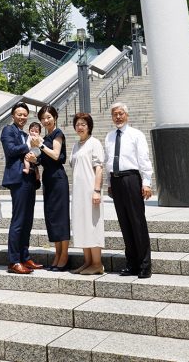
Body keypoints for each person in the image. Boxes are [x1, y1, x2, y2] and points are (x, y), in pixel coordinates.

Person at [104, 102, 153, 278]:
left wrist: (146, 182)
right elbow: (108, 161)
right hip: (116, 182)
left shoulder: (136, 135)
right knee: (124, 223)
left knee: (137, 222)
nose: (118, 117)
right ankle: (131, 263)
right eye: (115, 114)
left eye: (121, 113)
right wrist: (109, 183)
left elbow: (144, 160)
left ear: (127, 115)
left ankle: (144, 265)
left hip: (131, 179)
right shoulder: (109, 137)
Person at [0, 101, 44, 274]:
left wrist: (36, 159)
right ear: (13, 115)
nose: (22, 117)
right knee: (19, 220)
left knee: (28, 220)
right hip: (18, 179)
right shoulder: (8, 130)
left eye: (25, 114)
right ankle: (13, 261)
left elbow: (35, 156)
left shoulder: (26, 133)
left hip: (29, 180)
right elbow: (10, 151)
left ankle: (25, 257)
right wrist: (29, 145)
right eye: (19, 114)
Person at [69, 112, 105, 275]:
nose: (80, 127)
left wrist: (96, 190)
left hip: (91, 191)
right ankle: (88, 261)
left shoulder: (94, 143)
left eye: (83, 124)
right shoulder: (76, 145)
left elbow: (99, 168)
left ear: (89, 126)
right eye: (77, 124)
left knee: (92, 226)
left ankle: (97, 263)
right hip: (78, 192)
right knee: (81, 225)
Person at [36, 104, 71, 271]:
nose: (46, 120)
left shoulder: (58, 133)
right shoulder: (47, 135)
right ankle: (57, 254)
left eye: (48, 117)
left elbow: (56, 155)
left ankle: (64, 255)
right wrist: (34, 159)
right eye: (43, 118)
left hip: (58, 178)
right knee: (52, 217)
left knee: (61, 216)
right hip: (48, 178)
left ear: (55, 117)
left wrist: (41, 145)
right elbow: (45, 158)